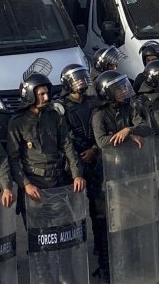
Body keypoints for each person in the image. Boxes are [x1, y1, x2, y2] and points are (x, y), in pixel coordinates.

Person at [57, 64, 107, 282]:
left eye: (82, 78)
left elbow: (101, 128)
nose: (81, 82)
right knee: (73, 215)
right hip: (73, 164)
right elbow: (64, 136)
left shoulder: (93, 102)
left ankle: (102, 255)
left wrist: (94, 149)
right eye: (76, 79)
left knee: (99, 211)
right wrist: (79, 153)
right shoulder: (61, 106)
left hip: (95, 159)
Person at [8, 72, 86, 212]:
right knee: (38, 224)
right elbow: (13, 159)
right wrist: (26, 184)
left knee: (64, 221)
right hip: (35, 185)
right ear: (30, 95)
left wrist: (77, 175)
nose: (46, 98)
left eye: (47, 93)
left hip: (58, 181)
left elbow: (68, 146)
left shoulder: (55, 116)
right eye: (41, 94)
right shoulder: (17, 123)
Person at [91, 70, 151, 152]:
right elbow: (101, 142)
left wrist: (129, 130)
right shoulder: (99, 114)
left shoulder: (127, 107)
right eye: (118, 89)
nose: (124, 91)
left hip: (130, 154)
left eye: (123, 87)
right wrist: (129, 136)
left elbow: (147, 128)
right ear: (107, 93)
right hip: (111, 157)